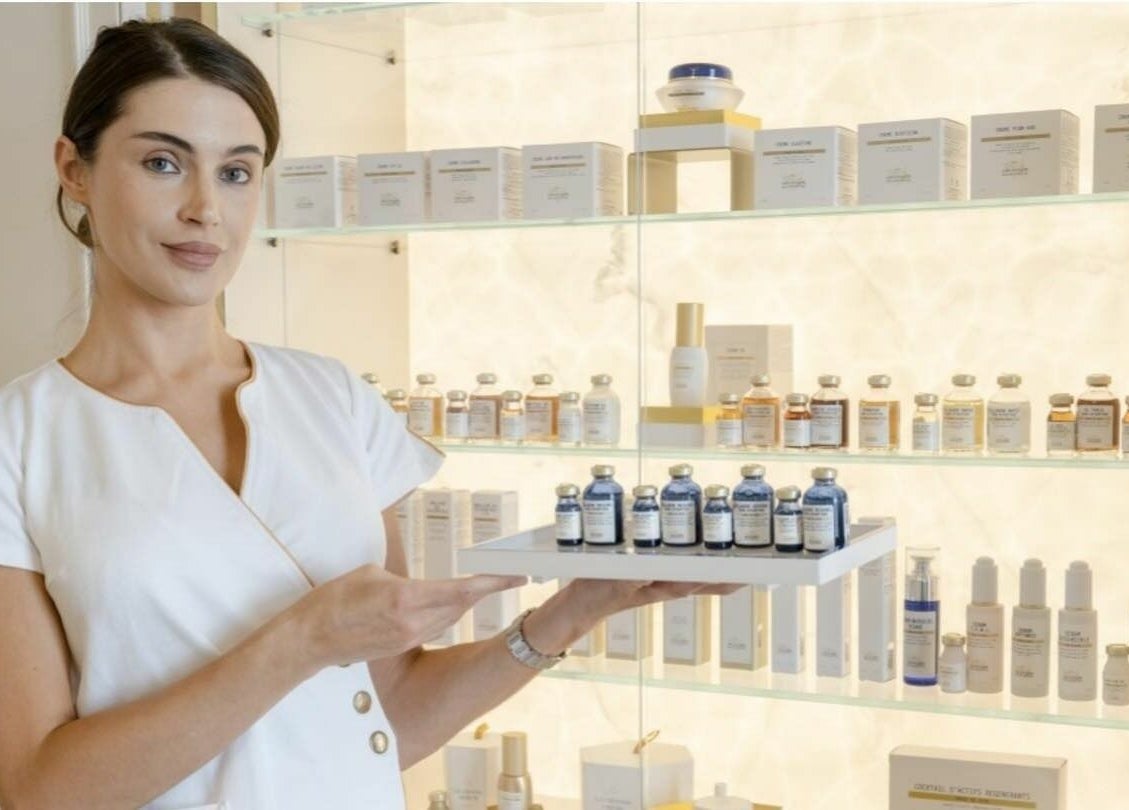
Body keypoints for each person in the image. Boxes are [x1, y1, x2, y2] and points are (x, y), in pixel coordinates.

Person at [0, 19, 733, 810]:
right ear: (75, 169)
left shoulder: (333, 399)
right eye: (163, 163)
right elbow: (37, 789)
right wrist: (303, 639)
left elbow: (393, 716)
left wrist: (574, 610)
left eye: (237, 172)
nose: (206, 209)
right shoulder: (22, 440)